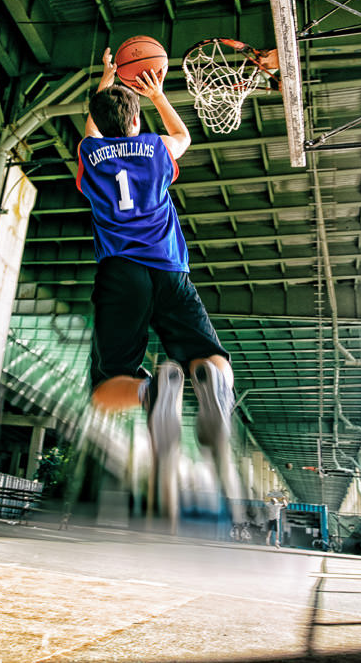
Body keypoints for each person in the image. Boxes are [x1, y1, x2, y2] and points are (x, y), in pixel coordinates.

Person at [76, 48, 236, 479]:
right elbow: (183, 136)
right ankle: (210, 382)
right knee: (211, 357)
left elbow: (93, 129)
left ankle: (151, 391)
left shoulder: (89, 156)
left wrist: (106, 82)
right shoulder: (154, 146)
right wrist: (159, 96)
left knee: (107, 387)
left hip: (119, 275)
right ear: (135, 122)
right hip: (170, 271)